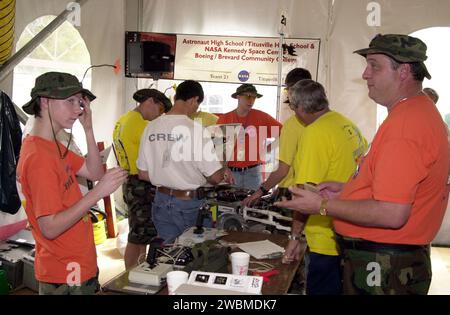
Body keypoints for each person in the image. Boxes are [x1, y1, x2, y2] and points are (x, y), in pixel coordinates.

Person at [276, 34, 450, 295]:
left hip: (384, 266)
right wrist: (346, 191)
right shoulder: (415, 112)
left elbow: (392, 213)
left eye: (374, 65)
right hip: (391, 260)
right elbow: (395, 190)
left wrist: (321, 205)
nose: (366, 74)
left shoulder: (405, 125)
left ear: (403, 71)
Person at [16, 72, 128, 295]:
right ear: (45, 102)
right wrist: (97, 193)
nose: (78, 109)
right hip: (65, 269)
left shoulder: (54, 144)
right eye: (70, 101)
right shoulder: (39, 156)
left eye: (80, 102)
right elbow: (50, 227)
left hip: (77, 259)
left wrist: (88, 129)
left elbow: (94, 171)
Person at [280, 79, 367, 295]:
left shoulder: (314, 133)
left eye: (292, 106)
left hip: (323, 235)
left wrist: (294, 238)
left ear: (299, 108)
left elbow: (305, 192)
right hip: (349, 226)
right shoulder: (345, 123)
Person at [137, 80, 233, 243]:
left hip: (161, 201)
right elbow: (215, 178)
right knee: (196, 254)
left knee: (167, 255)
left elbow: (143, 173)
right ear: (194, 100)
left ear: (176, 97)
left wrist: (169, 175)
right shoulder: (196, 130)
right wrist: (223, 159)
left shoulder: (151, 127)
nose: (197, 109)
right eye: (197, 104)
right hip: (188, 205)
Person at [113, 88, 172, 269]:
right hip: (141, 184)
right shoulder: (140, 124)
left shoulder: (123, 120)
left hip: (130, 181)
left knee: (142, 234)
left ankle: (138, 271)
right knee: (138, 235)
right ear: (150, 102)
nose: (159, 115)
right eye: (160, 109)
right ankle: (129, 275)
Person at [242, 68, 312, 206]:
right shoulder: (334, 121)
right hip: (313, 189)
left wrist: (260, 191)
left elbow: (282, 170)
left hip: (292, 189)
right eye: (247, 96)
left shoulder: (291, 124)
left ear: (292, 90)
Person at [217, 84, 282, 190]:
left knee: (252, 205)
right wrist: (225, 169)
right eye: (248, 96)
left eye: (254, 97)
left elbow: (284, 133)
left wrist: (268, 149)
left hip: (253, 172)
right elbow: (218, 148)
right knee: (231, 205)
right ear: (238, 97)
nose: (251, 100)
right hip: (231, 172)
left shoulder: (262, 117)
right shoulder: (225, 119)